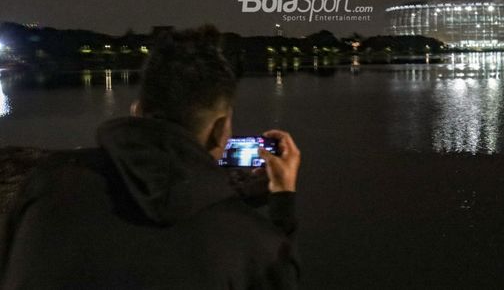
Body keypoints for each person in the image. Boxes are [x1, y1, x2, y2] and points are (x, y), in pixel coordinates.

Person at [0, 26, 301, 289]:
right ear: (220, 128)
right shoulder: (255, 244)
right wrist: (281, 201)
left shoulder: (46, 182)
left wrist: (231, 195)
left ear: (137, 110)